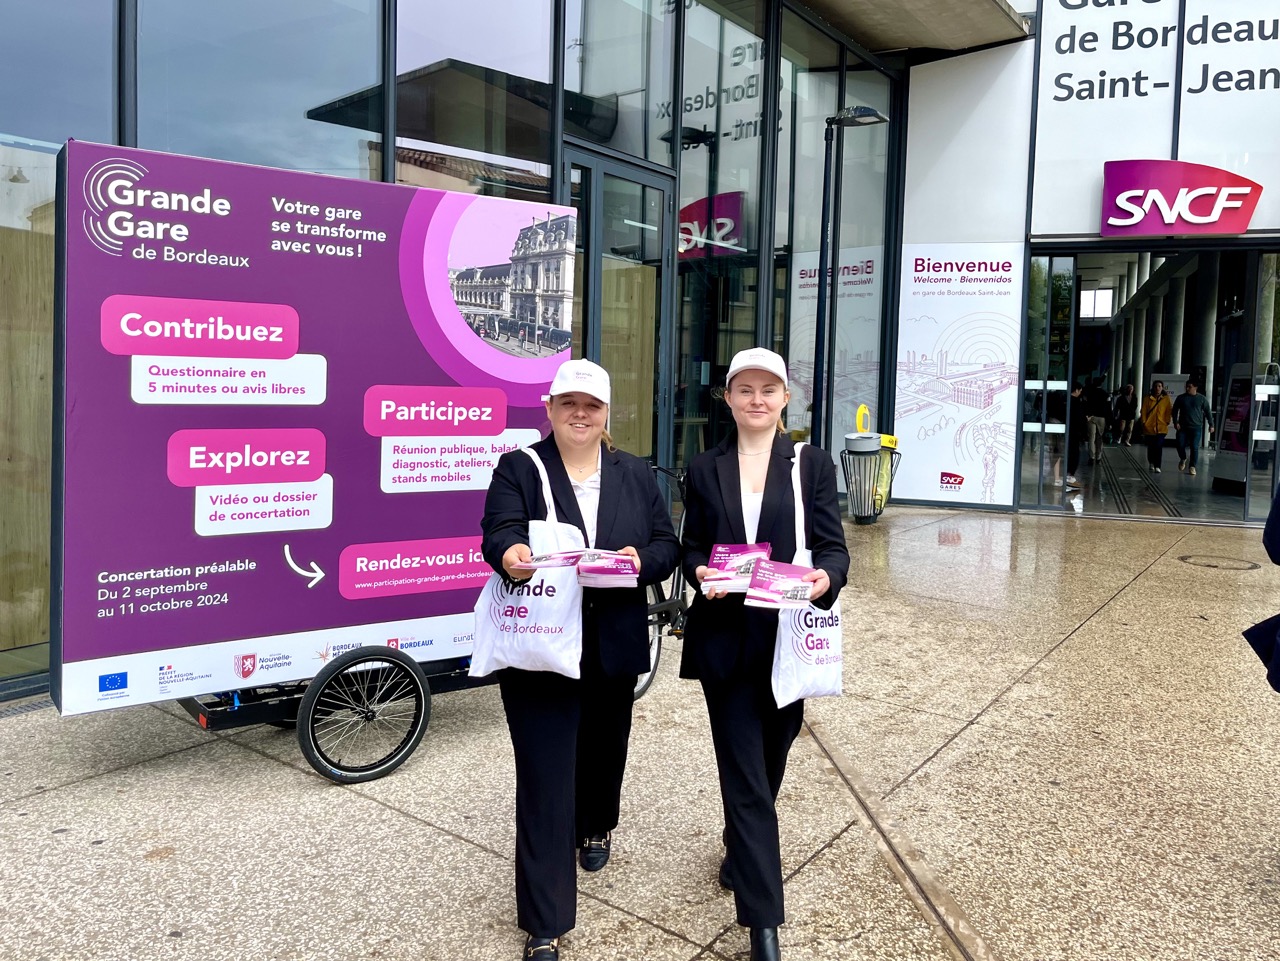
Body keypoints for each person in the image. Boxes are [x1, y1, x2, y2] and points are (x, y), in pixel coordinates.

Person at [480, 358, 680, 961]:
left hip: (613, 637)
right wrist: (511, 552)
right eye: (568, 403)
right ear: (549, 408)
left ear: (606, 413)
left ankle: (595, 822)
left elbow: (666, 543)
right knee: (544, 776)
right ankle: (545, 923)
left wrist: (638, 562)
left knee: (602, 748)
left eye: (591, 405)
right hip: (540, 644)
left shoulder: (635, 473)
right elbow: (497, 531)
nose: (579, 413)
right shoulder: (522, 466)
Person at [679, 347, 850, 961]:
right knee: (746, 777)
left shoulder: (809, 464)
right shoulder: (704, 467)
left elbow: (833, 548)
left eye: (767, 390)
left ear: (784, 398)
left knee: (770, 760)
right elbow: (693, 544)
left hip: (788, 640)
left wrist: (823, 581)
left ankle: (737, 844)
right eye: (744, 389)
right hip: (724, 638)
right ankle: (763, 922)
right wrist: (700, 569)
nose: (756, 399)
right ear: (727, 397)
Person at [1172, 381, 1214, 476]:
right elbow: (1174, 410)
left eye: (1189, 387)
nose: (1187, 389)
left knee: (1194, 447)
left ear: (1195, 387)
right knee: (1179, 444)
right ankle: (1183, 458)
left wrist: (1211, 425)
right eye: (1186, 387)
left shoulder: (1201, 399)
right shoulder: (1181, 398)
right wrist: (1175, 422)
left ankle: (1192, 466)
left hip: (1196, 427)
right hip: (1182, 427)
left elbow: (1208, 412)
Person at [1140, 380, 1173, 473]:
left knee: (1158, 446)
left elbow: (1168, 411)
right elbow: (1143, 411)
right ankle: (1151, 462)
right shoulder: (1147, 399)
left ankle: (1158, 465)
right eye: (1156, 386)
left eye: (1159, 386)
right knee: (1151, 446)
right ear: (1153, 388)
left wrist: (1167, 421)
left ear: (1162, 388)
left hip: (1161, 427)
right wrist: (1144, 422)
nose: (1158, 388)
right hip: (1149, 427)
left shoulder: (1166, 399)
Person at [1065, 382, 1087, 488]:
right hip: (1075, 431)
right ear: (1077, 390)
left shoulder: (1066, 400)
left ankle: (1068, 476)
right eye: (1080, 390)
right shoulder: (1077, 402)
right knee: (1074, 453)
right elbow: (1079, 418)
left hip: (1068, 430)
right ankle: (1070, 476)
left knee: (1070, 452)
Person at [1084, 377, 1111, 463]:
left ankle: (1091, 457)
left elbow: (1085, 405)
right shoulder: (1105, 394)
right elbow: (1108, 409)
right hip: (1102, 418)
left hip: (1091, 417)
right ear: (1101, 384)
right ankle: (1098, 457)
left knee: (1091, 438)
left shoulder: (1089, 393)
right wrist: (1110, 422)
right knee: (1099, 438)